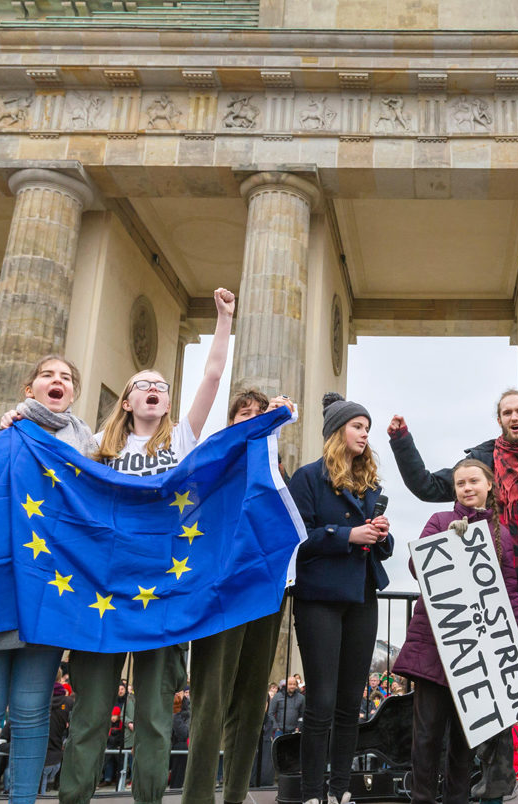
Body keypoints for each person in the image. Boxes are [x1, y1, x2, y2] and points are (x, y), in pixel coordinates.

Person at [62, 287, 233, 804]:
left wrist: (223, 319)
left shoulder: (181, 439)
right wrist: (12, 424)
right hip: (103, 591)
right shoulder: (97, 446)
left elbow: (210, 377)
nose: (154, 390)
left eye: (161, 385)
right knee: (90, 715)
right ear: (129, 400)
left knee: (155, 719)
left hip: (161, 590)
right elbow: (51, 464)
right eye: (143, 385)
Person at [389, 390, 518, 804]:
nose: (514, 416)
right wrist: (402, 442)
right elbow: (424, 485)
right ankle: (494, 785)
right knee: (491, 695)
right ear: (499, 419)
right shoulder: (479, 462)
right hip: (486, 596)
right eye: (506, 411)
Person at [0, 355, 95, 804]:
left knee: (33, 710)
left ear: (73, 392)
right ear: (29, 387)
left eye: (67, 378)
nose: (58, 382)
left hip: (49, 588)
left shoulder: (88, 447)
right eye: (48, 375)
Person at [394, 458, 518, 804]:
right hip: (434, 647)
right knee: (427, 735)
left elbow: (509, 593)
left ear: (489, 485)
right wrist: (449, 541)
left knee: (465, 740)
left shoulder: (502, 534)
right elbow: (418, 566)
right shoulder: (439, 520)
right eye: (460, 483)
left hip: (479, 653)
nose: (467, 488)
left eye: (474, 481)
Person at [182, 389, 297, 804]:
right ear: (230, 422)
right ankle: (197, 796)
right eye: (241, 414)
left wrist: (279, 416)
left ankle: (234, 794)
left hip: (268, 591)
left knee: (251, 702)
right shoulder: (212, 463)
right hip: (221, 594)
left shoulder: (277, 468)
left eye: (256, 414)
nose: (249, 419)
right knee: (211, 698)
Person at [289, 392, 393, 804]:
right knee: (322, 701)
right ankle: (312, 792)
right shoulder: (307, 478)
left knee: (352, 702)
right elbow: (297, 540)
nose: (364, 434)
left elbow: (379, 546)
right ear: (337, 432)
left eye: (367, 428)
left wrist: (381, 533)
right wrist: (347, 535)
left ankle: (339, 790)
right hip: (319, 599)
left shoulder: (371, 484)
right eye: (357, 426)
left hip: (362, 596)